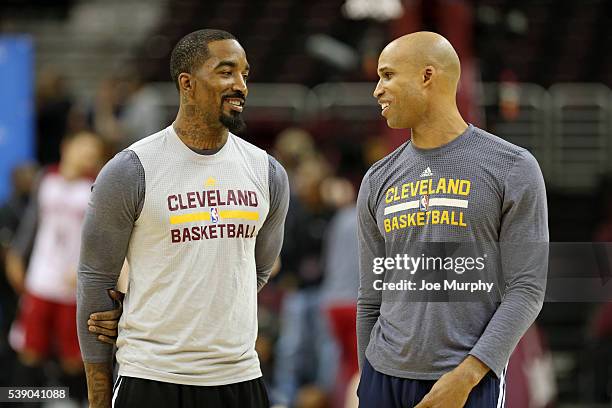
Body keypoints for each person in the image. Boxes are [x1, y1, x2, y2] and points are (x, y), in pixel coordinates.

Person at [77, 29, 290, 408]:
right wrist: (98, 397)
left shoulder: (268, 172)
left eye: (245, 74)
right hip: (150, 376)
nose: (240, 85)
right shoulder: (131, 169)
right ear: (187, 84)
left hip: (239, 377)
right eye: (226, 72)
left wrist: (192, 302)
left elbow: (255, 272)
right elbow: (95, 280)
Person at [356, 32, 548, 407]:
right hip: (383, 379)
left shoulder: (512, 167)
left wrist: (469, 375)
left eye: (388, 75)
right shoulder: (377, 178)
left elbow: (527, 289)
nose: (377, 90)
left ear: (427, 77)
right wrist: (368, 379)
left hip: (465, 381)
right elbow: (369, 297)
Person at [4, 132, 104, 404]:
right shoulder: (45, 179)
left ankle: (78, 401)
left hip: (73, 291)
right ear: (66, 146)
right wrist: (16, 257)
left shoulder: (97, 187)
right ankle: (22, 401)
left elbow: (102, 239)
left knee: (74, 358)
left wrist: (88, 269)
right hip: (40, 283)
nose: (89, 154)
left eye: (94, 150)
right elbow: (31, 226)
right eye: (84, 146)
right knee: (30, 352)